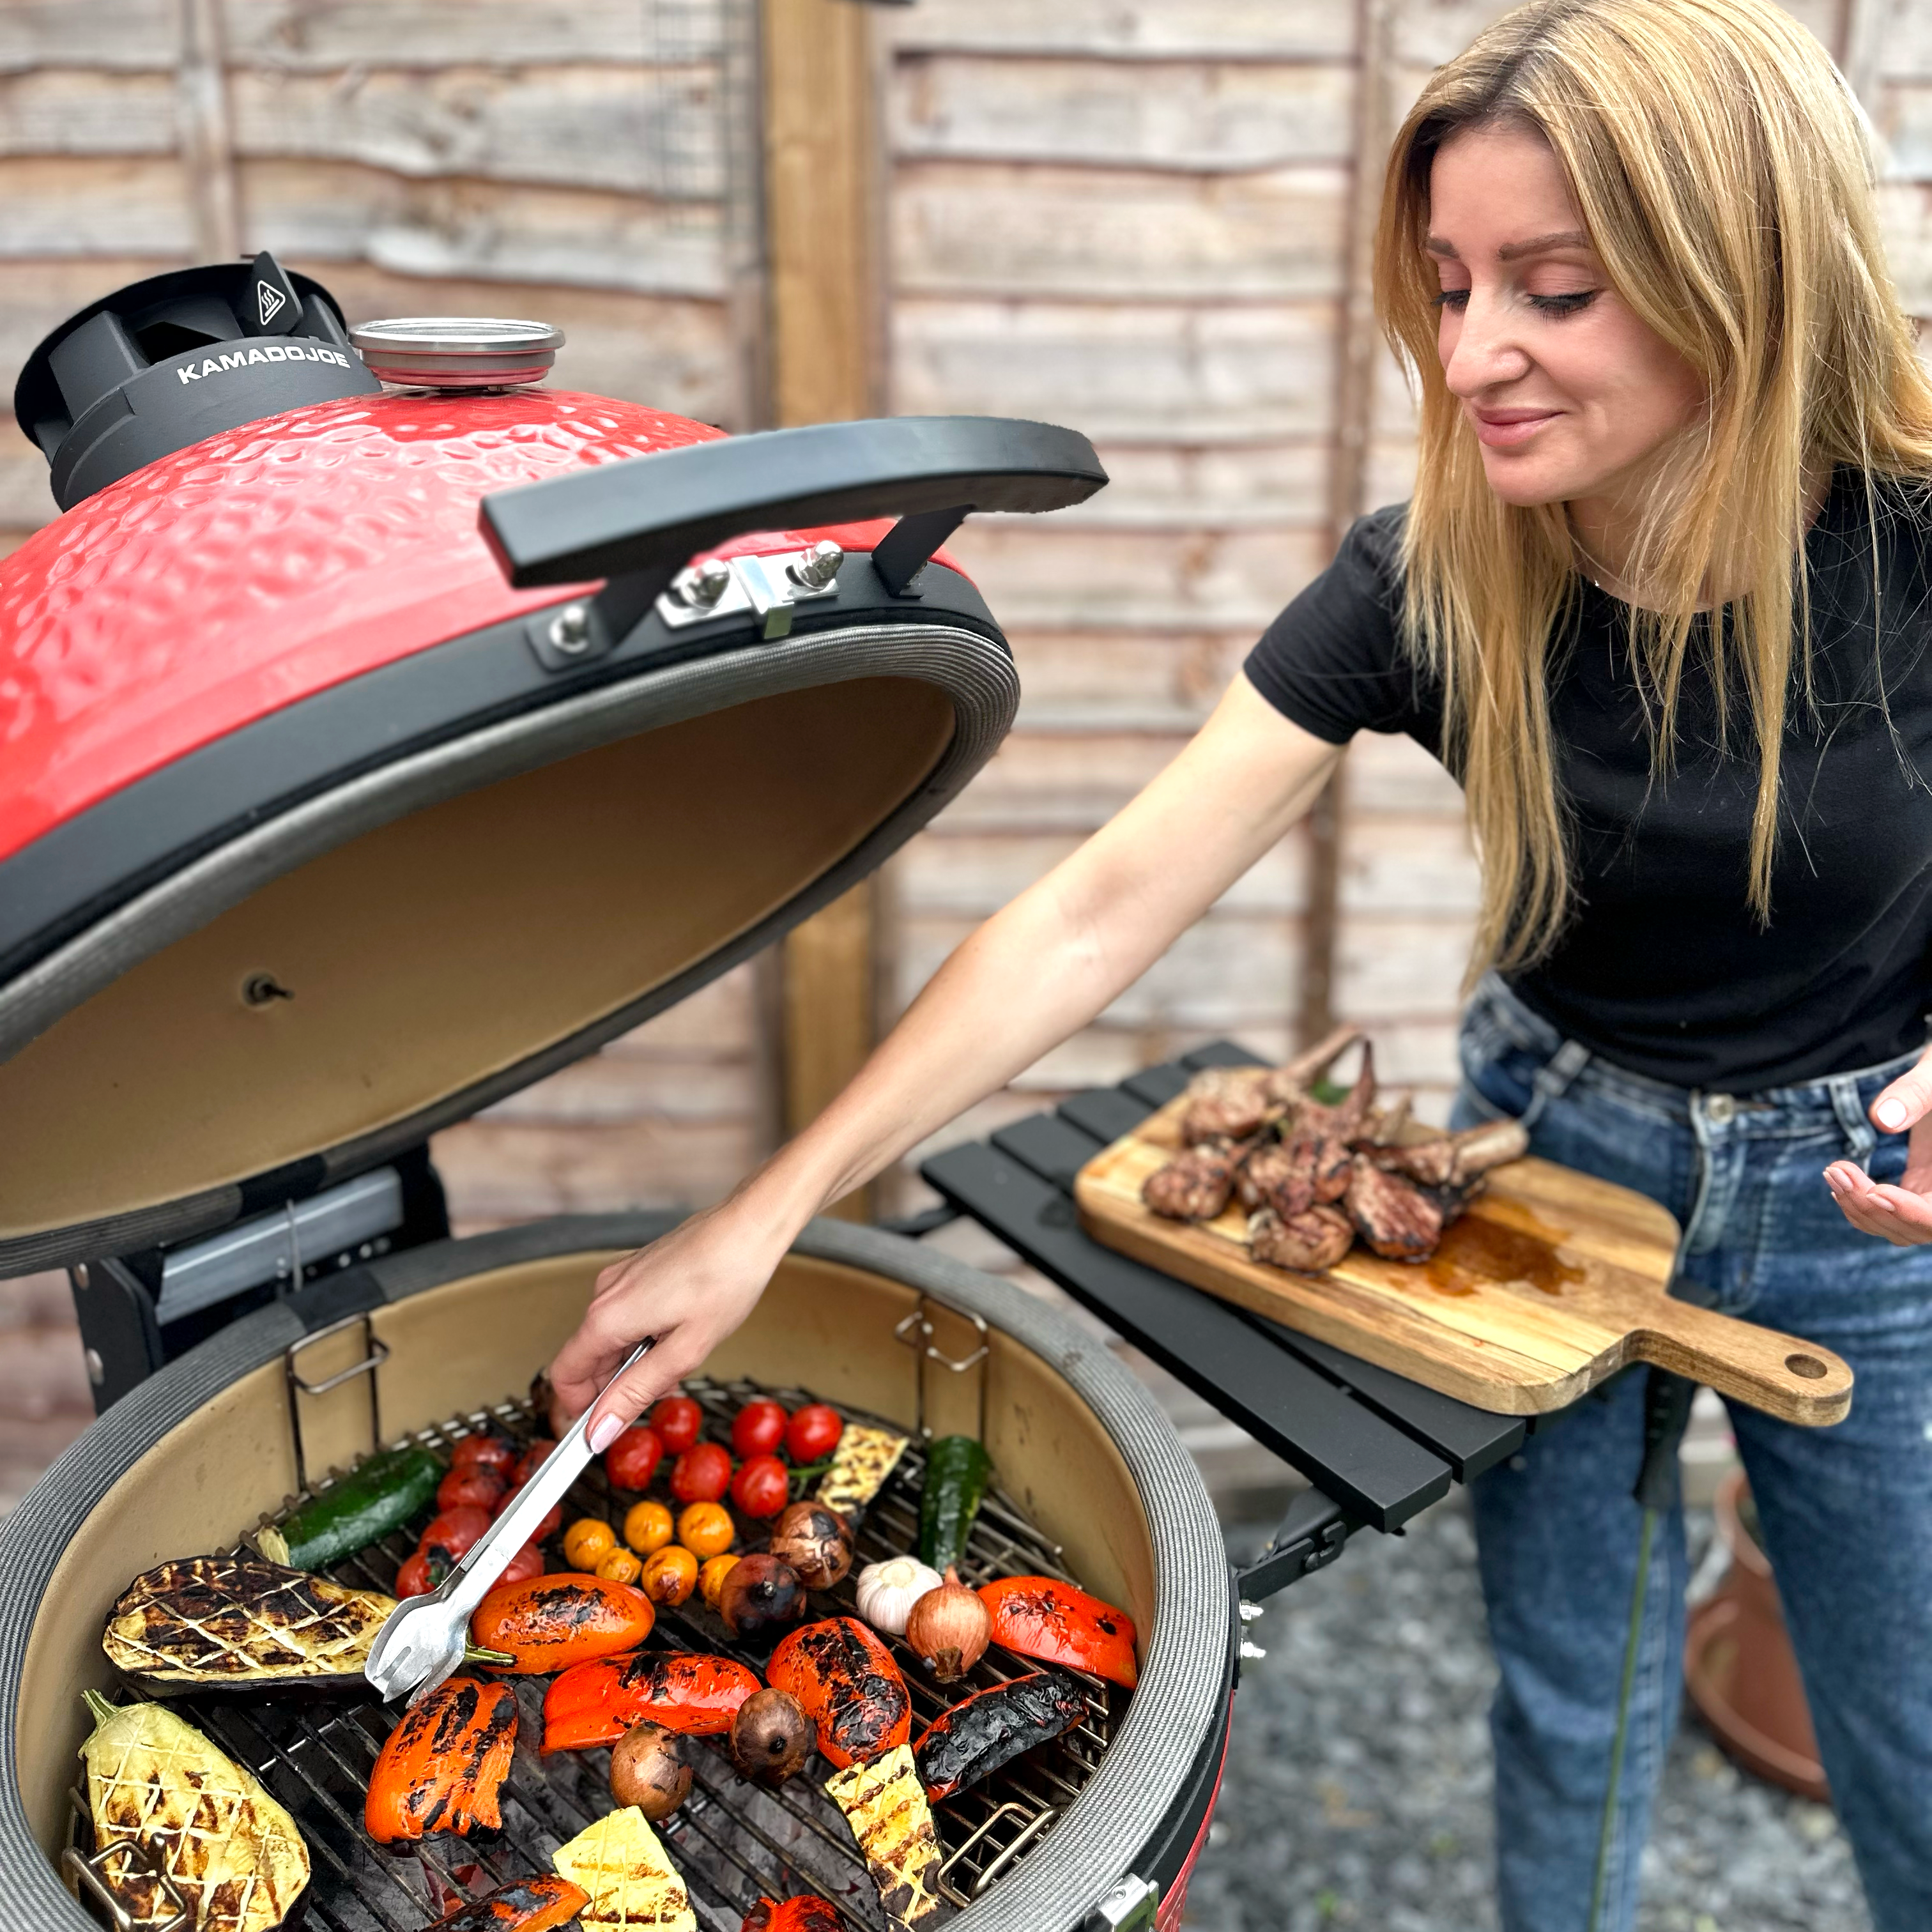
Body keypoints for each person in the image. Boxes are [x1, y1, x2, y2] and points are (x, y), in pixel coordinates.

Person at [550, 1, 1932, 1925]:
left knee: (1911, 1721)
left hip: (1864, 1201)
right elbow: (1102, 906)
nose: (1474, 358)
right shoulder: (1433, 576)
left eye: (1554, 289)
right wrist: (770, 1210)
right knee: (1568, 1700)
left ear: (1739, 271)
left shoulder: (1917, 538)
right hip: (1543, 1166)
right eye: (1449, 288)